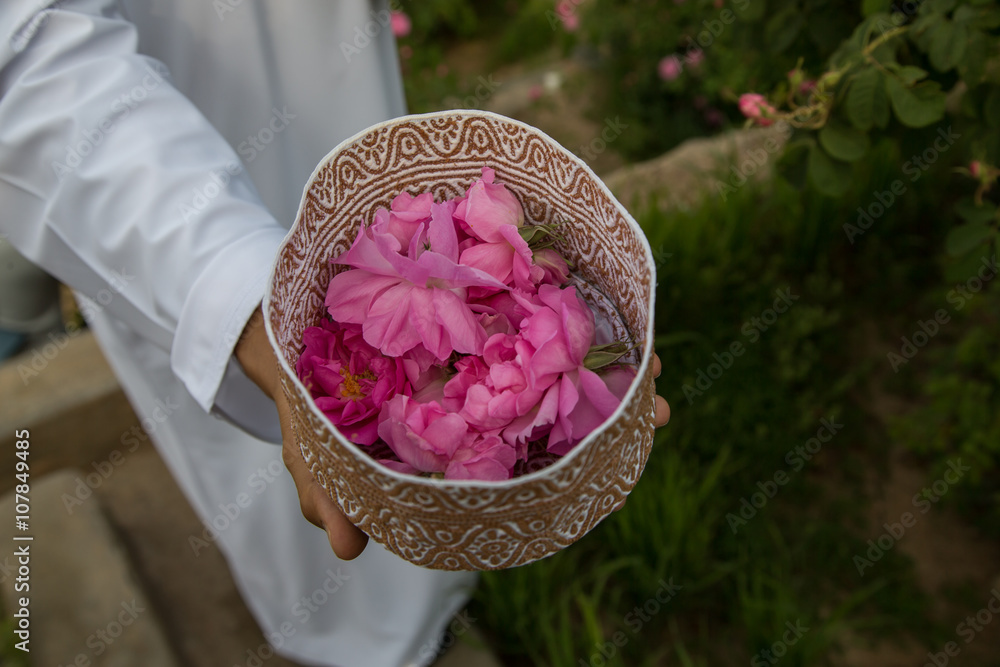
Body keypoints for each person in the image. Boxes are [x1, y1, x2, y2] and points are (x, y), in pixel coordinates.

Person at [0, 2, 671, 665]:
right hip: (162, 198)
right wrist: (234, 292)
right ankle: (350, 643)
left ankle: (432, 606)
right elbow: (31, 65)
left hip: (335, 99)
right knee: (293, 493)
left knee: (416, 488)